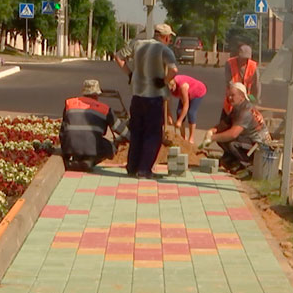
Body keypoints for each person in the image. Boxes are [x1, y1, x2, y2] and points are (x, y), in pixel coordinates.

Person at [113, 23, 178, 178]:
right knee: (152, 134)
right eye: (169, 38)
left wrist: (130, 74)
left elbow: (118, 57)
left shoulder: (138, 44)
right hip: (154, 97)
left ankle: (132, 167)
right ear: (166, 37)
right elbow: (174, 70)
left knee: (136, 132)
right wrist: (164, 80)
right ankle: (144, 170)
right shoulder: (165, 50)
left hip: (137, 96)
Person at [57, 79, 128, 171]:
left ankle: (76, 160)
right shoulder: (104, 109)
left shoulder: (70, 103)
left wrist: (65, 149)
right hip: (92, 147)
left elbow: (63, 130)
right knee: (110, 147)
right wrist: (133, 138)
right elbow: (120, 129)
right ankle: (90, 161)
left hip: (70, 146)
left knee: (79, 140)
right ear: (97, 94)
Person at [205, 82, 270, 173]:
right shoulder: (238, 107)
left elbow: (233, 134)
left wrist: (212, 138)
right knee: (222, 136)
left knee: (231, 143)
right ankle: (232, 159)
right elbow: (225, 124)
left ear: (242, 97)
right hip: (249, 140)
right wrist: (212, 131)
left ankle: (246, 164)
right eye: (228, 95)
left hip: (258, 145)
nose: (229, 98)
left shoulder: (245, 111)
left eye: (233, 95)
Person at [167, 74, 207, 143]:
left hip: (197, 91)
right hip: (184, 94)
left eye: (172, 90)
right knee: (179, 112)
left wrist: (179, 121)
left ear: (174, 85)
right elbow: (167, 103)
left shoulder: (183, 86)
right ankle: (183, 136)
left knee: (191, 113)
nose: (171, 92)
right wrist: (169, 116)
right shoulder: (167, 88)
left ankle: (191, 138)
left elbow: (186, 105)